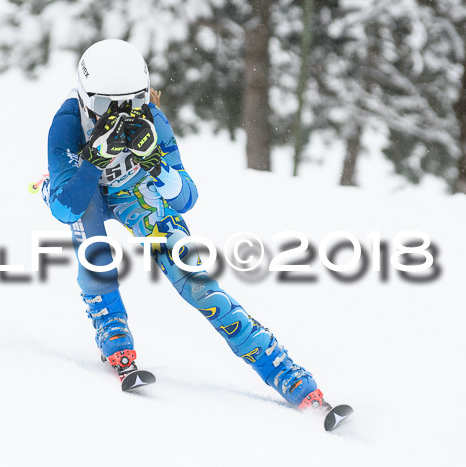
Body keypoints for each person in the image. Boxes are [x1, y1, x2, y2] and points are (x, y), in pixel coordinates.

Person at [43, 39, 323, 409]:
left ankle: (282, 369)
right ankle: (113, 333)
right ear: (84, 97)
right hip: (85, 190)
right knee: (92, 246)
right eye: (104, 106)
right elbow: (66, 209)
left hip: (134, 190)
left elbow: (185, 198)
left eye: (133, 103)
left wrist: (156, 164)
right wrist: (93, 160)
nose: (120, 115)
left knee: (193, 279)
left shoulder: (153, 121)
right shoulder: (67, 124)